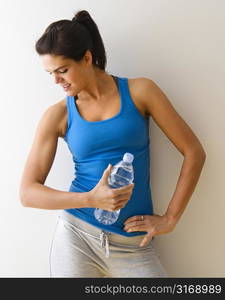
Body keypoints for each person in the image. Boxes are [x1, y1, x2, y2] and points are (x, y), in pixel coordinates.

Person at [19, 10, 206, 278]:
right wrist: (89, 198)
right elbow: (28, 193)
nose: (56, 81)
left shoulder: (141, 91)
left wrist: (170, 218)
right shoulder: (57, 115)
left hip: (134, 246)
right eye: (50, 73)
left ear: (86, 57)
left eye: (62, 71)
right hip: (77, 237)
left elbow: (194, 152)